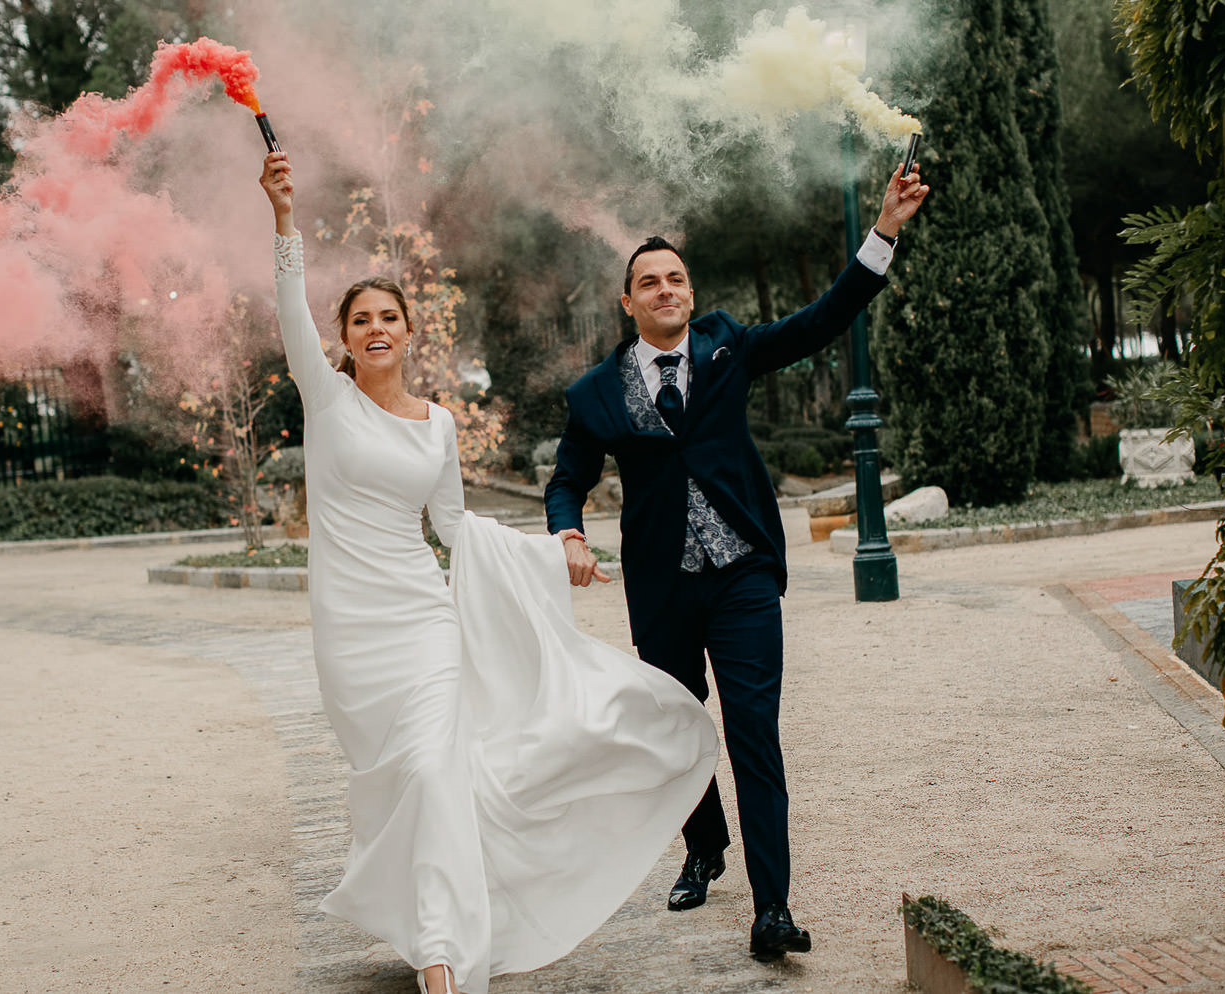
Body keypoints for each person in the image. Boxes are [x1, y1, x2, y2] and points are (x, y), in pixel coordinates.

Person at [258, 151, 719, 994]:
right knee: (405, 782)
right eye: (359, 320)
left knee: (437, 769)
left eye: (387, 317)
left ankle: (440, 955)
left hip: (422, 622)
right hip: (351, 637)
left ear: (408, 331)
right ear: (345, 339)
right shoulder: (325, 401)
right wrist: (285, 220)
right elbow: (289, 312)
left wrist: (557, 550)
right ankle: (428, 919)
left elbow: (454, 526)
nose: (374, 330)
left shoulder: (437, 428)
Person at [544, 163, 929, 961]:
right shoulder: (597, 394)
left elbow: (825, 318)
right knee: (681, 730)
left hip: (744, 574)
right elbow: (566, 481)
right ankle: (703, 844)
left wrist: (883, 229)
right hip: (662, 589)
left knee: (754, 731)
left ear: (691, 291)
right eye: (648, 283)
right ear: (629, 302)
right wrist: (570, 536)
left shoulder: (730, 347)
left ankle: (773, 909)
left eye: (675, 278)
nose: (665, 290)